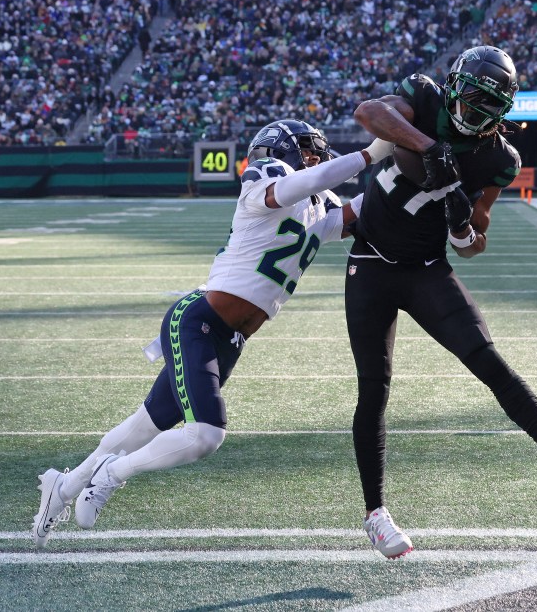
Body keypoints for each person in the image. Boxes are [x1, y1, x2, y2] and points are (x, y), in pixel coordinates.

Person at [32, 119, 387, 547]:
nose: (317, 160)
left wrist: (403, 175)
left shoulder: (316, 205)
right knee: (206, 434)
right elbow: (302, 184)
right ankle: (111, 473)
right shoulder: (264, 178)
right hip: (198, 318)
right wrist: (372, 152)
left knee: (146, 424)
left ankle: (64, 488)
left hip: (230, 340)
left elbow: (364, 210)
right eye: (310, 152)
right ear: (284, 151)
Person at [349, 45, 537, 559]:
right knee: (374, 385)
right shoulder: (422, 96)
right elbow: (368, 113)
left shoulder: (499, 157)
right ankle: (375, 513)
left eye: (486, 112)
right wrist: (431, 147)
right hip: (373, 261)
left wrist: (462, 221)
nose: (472, 119)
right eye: (468, 105)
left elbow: (474, 243)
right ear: (452, 89)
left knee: (488, 360)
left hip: (426, 267)